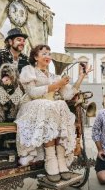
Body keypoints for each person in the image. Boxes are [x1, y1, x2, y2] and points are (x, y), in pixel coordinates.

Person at [14, 44, 89, 182]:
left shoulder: (55, 76)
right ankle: (50, 159)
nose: (48, 56)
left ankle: (60, 160)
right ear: (36, 57)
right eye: (44, 53)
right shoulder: (28, 70)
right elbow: (32, 93)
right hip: (30, 106)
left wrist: (81, 77)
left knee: (60, 104)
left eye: (49, 53)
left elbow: (67, 95)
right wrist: (56, 86)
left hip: (48, 107)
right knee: (47, 105)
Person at [0, 28, 30, 95]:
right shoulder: (0, 54)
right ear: (10, 42)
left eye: (23, 41)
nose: (22, 43)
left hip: (19, 95)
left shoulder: (26, 59)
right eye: (19, 40)